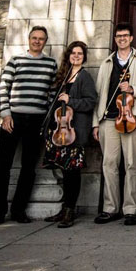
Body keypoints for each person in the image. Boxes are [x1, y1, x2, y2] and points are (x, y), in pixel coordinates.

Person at [0, 26, 58, 227]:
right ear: (29, 40)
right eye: (34, 38)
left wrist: (48, 119)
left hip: (36, 121)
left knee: (29, 167)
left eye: (41, 39)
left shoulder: (51, 64)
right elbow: (3, 87)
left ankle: (18, 210)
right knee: (3, 166)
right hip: (13, 118)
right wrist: (5, 114)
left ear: (45, 41)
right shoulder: (16, 61)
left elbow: (52, 93)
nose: (37, 41)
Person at [93, 22, 136, 225]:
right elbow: (99, 94)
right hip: (108, 119)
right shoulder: (107, 63)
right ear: (115, 39)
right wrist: (95, 122)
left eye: (125, 35)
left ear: (131, 38)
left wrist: (133, 88)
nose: (122, 39)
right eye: (118, 36)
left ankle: (130, 209)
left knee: (132, 164)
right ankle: (110, 208)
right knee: (109, 164)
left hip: (132, 118)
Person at [43, 41, 97, 228]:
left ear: (84, 56)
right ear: (68, 55)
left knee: (72, 171)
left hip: (74, 132)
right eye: (73, 53)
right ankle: (64, 207)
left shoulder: (84, 77)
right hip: (59, 130)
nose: (76, 56)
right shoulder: (63, 76)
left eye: (80, 53)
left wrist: (70, 100)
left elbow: (90, 102)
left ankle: (70, 211)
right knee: (64, 171)